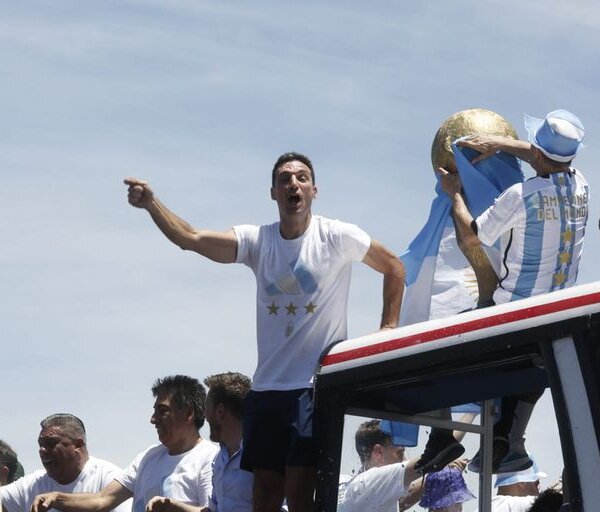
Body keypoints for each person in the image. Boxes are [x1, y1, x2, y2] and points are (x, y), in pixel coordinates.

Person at [123, 152, 405, 511]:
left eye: (302, 178)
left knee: (300, 489)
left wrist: (388, 330)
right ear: (273, 192)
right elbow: (190, 238)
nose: (293, 184)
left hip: (312, 388)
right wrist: (151, 204)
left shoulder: (335, 235)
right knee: (265, 492)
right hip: (266, 389)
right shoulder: (259, 241)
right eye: (285, 179)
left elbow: (394, 266)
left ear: (314, 190)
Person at [425, 109, 588, 474]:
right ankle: (506, 439)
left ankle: (443, 439)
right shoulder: (582, 187)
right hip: (554, 318)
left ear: (540, 155)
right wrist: (499, 143)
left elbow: (472, 234)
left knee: (432, 349)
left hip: (509, 319)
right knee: (531, 371)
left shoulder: (520, 195)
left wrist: (454, 193)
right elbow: (541, 157)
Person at [31, 375, 219, 512]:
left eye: (162, 411)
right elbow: (102, 499)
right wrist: (56, 498)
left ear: (188, 413)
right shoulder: (148, 457)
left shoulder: (210, 459)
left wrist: (172, 507)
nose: (153, 419)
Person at [0, 414, 128, 512]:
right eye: (40, 445)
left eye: (51, 443)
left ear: (78, 445)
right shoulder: (33, 484)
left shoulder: (109, 478)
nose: (42, 451)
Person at [338, 419, 418, 512]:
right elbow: (411, 474)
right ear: (378, 452)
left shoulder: (344, 482)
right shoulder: (368, 484)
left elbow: (403, 497)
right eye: (400, 454)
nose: (405, 460)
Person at [201, 372, 253, 512]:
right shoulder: (219, 460)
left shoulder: (261, 454)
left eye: (206, 409)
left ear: (220, 411)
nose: (204, 415)